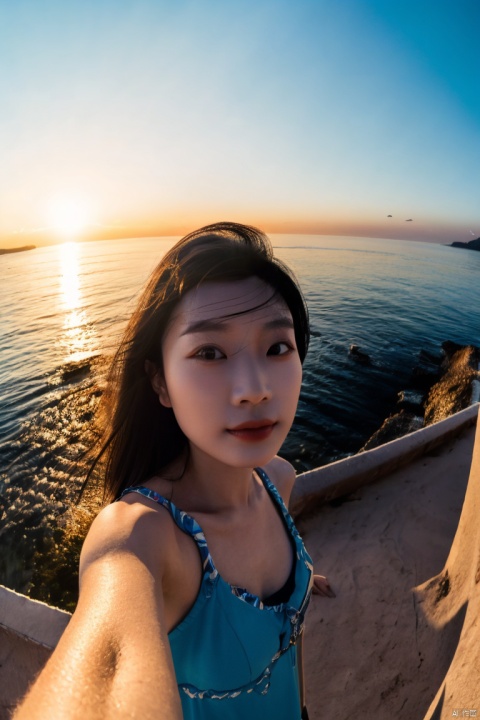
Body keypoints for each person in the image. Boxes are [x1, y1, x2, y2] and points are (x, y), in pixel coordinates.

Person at [15, 222, 334, 720]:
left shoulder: (279, 479)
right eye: (209, 353)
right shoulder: (143, 537)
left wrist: (302, 574)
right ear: (161, 382)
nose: (254, 389)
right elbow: (109, 664)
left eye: (277, 348)